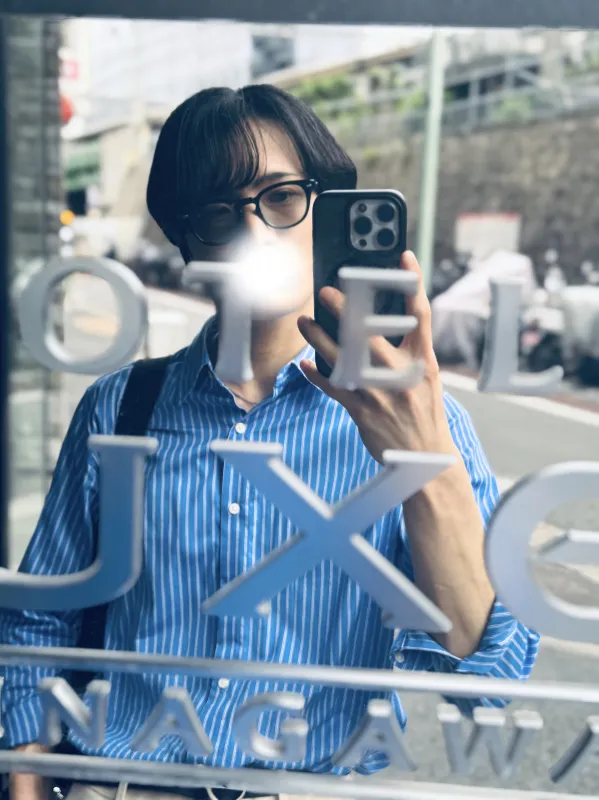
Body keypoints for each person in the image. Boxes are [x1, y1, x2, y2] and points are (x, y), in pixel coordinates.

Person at [1, 84, 540, 800]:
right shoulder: (120, 408)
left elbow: (492, 675)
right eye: (218, 212)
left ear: (329, 207)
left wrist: (422, 463)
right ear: (185, 238)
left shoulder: (414, 416)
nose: (256, 236)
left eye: (282, 197)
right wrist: (27, 773)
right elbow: (40, 617)